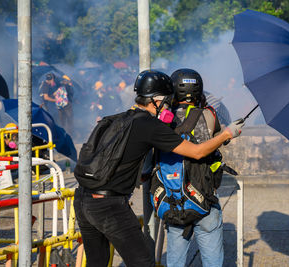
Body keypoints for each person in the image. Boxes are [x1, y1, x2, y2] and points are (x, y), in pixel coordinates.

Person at [73, 70, 245, 267]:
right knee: (143, 262)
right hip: (109, 205)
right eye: (167, 101)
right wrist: (227, 134)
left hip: (83, 199)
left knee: (97, 262)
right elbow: (197, 152)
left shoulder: (116, 118)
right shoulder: (150, 126)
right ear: (157, 100)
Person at [162, 68, 224, 267]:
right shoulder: (209, 115)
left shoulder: (162, 120)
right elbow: (217, 135)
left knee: (175, 260)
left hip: (174, 199)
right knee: (212, 259)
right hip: (205, 198)